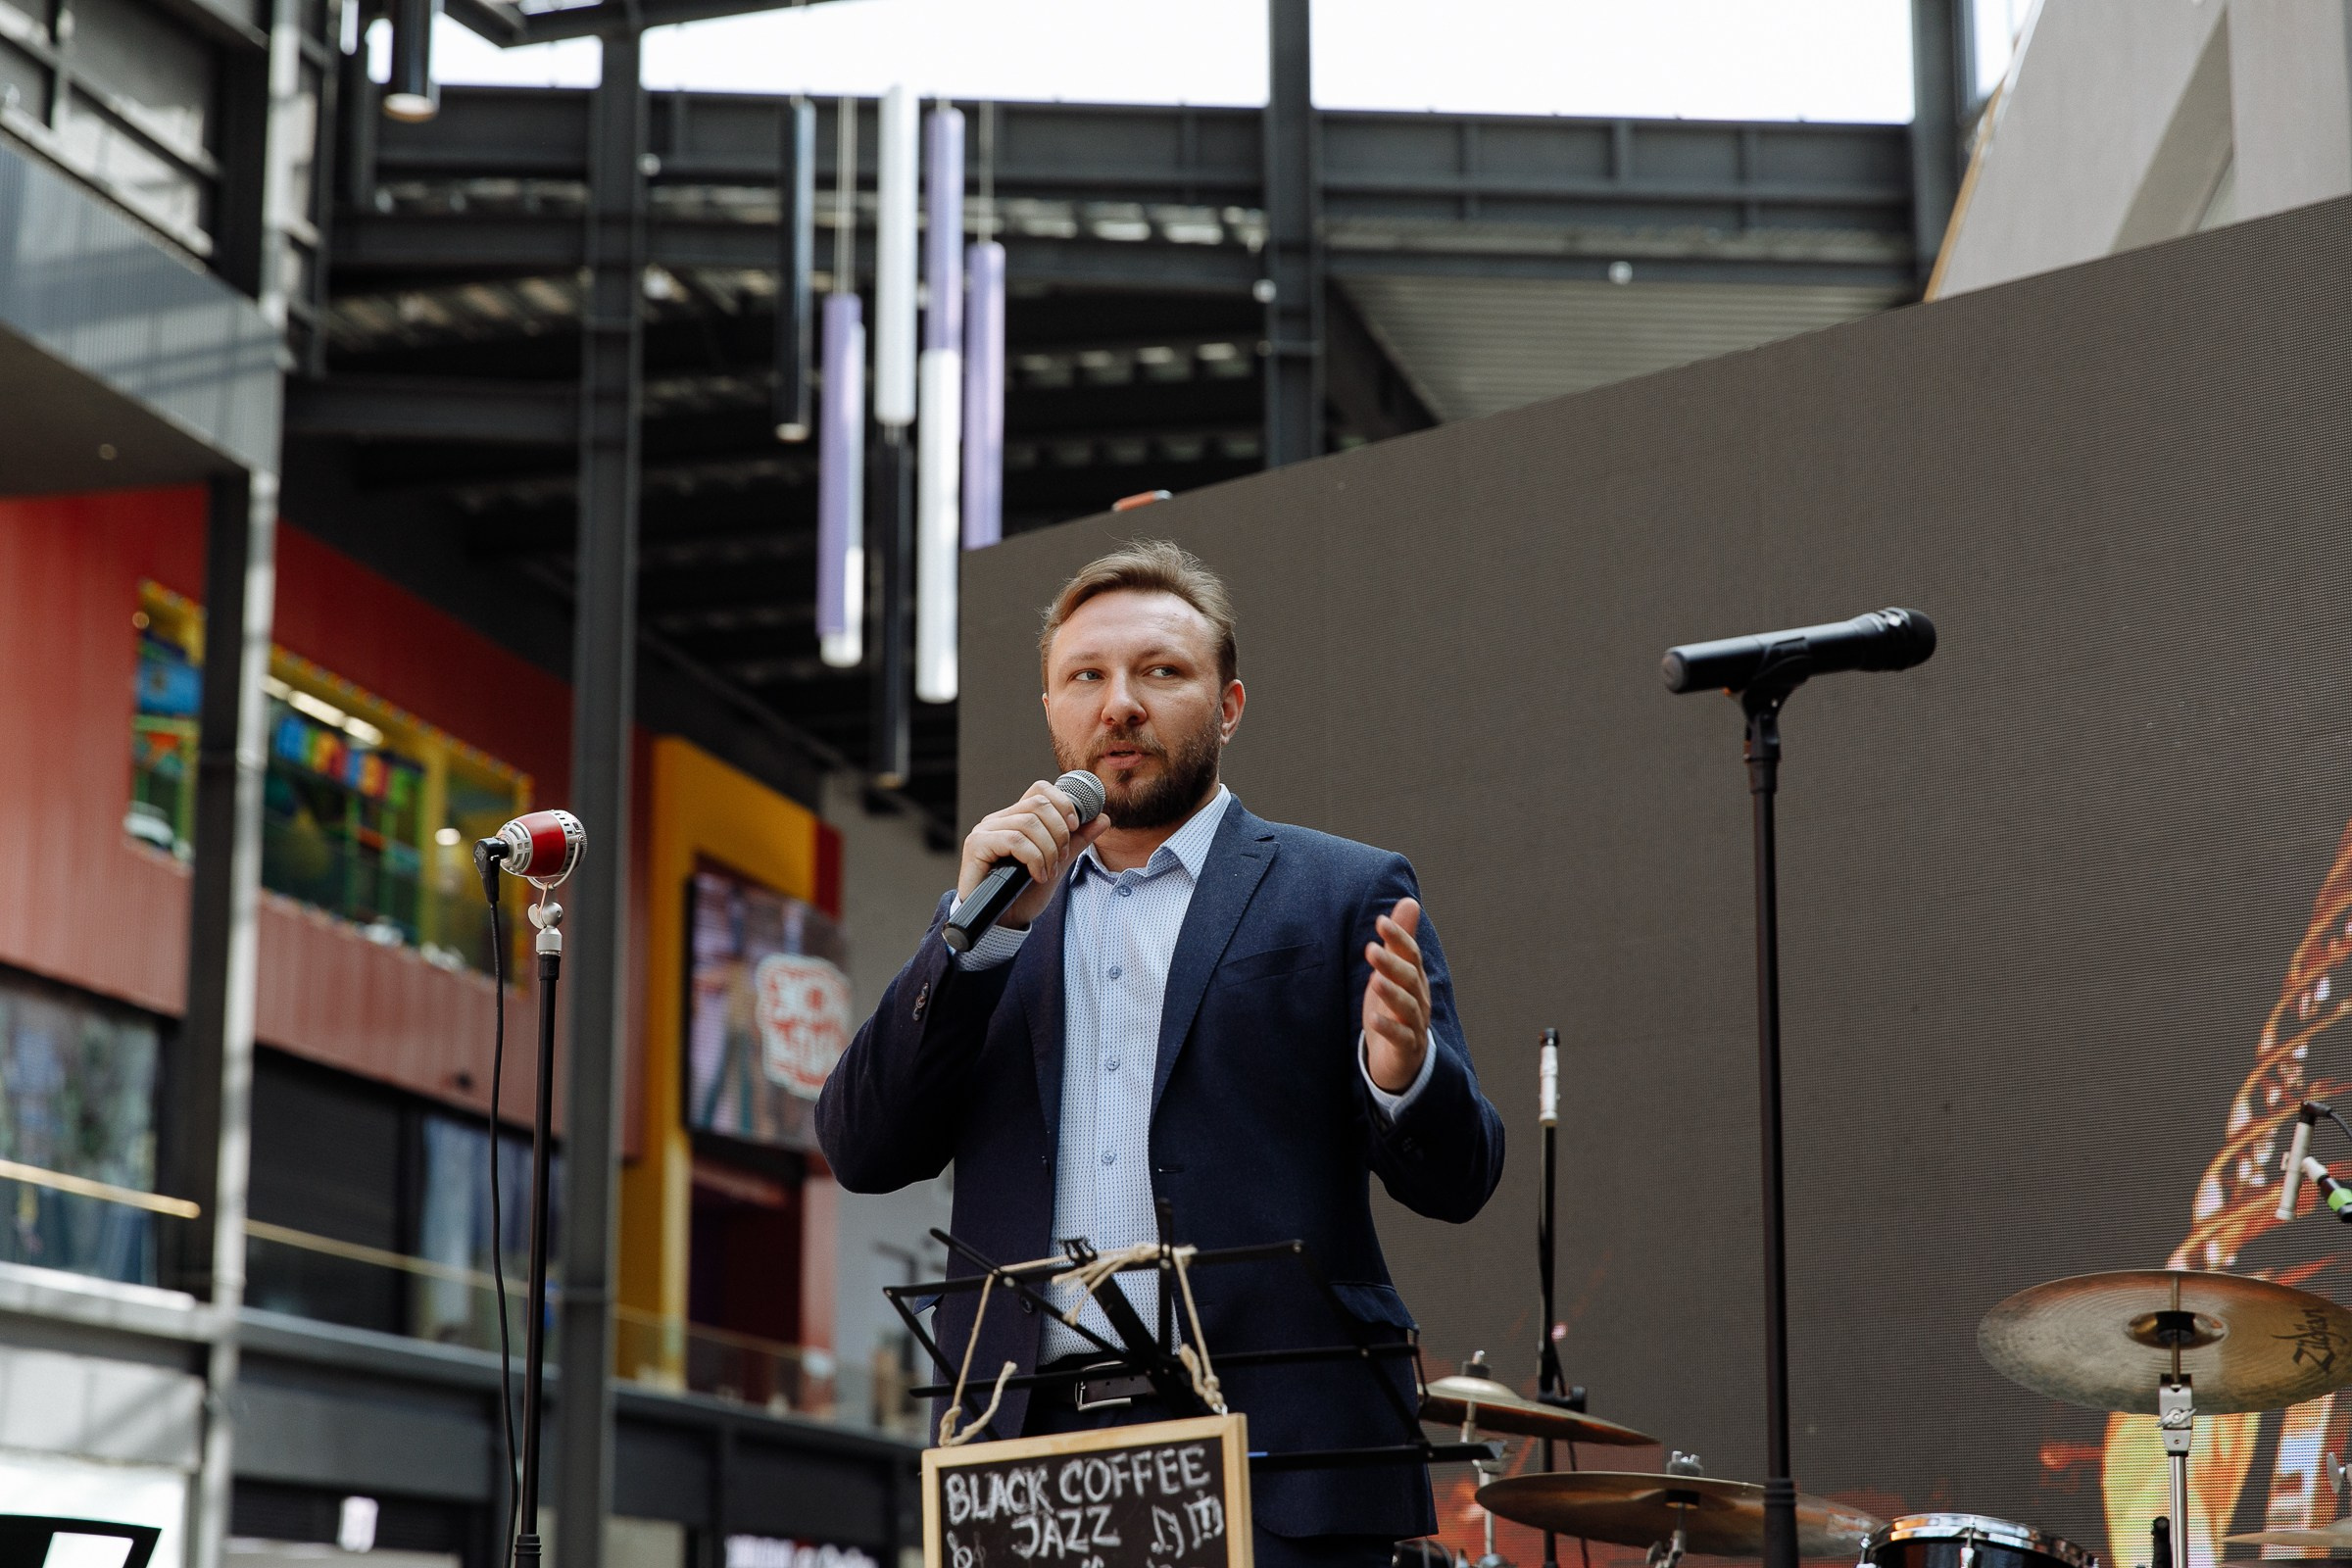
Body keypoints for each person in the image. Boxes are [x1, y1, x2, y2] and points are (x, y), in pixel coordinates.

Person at [816, 540, 1505, 1568]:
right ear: (1051, 711)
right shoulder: (993, 918)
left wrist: (1401, 1077)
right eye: (1085, 677)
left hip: (1279, 1463)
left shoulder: (1338, 890)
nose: (1120, 704)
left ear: (1228, 705)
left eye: (1160, 671)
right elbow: (863, 1147)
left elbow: (1459, 1177)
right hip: (1028, 1457)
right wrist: (972, 938)